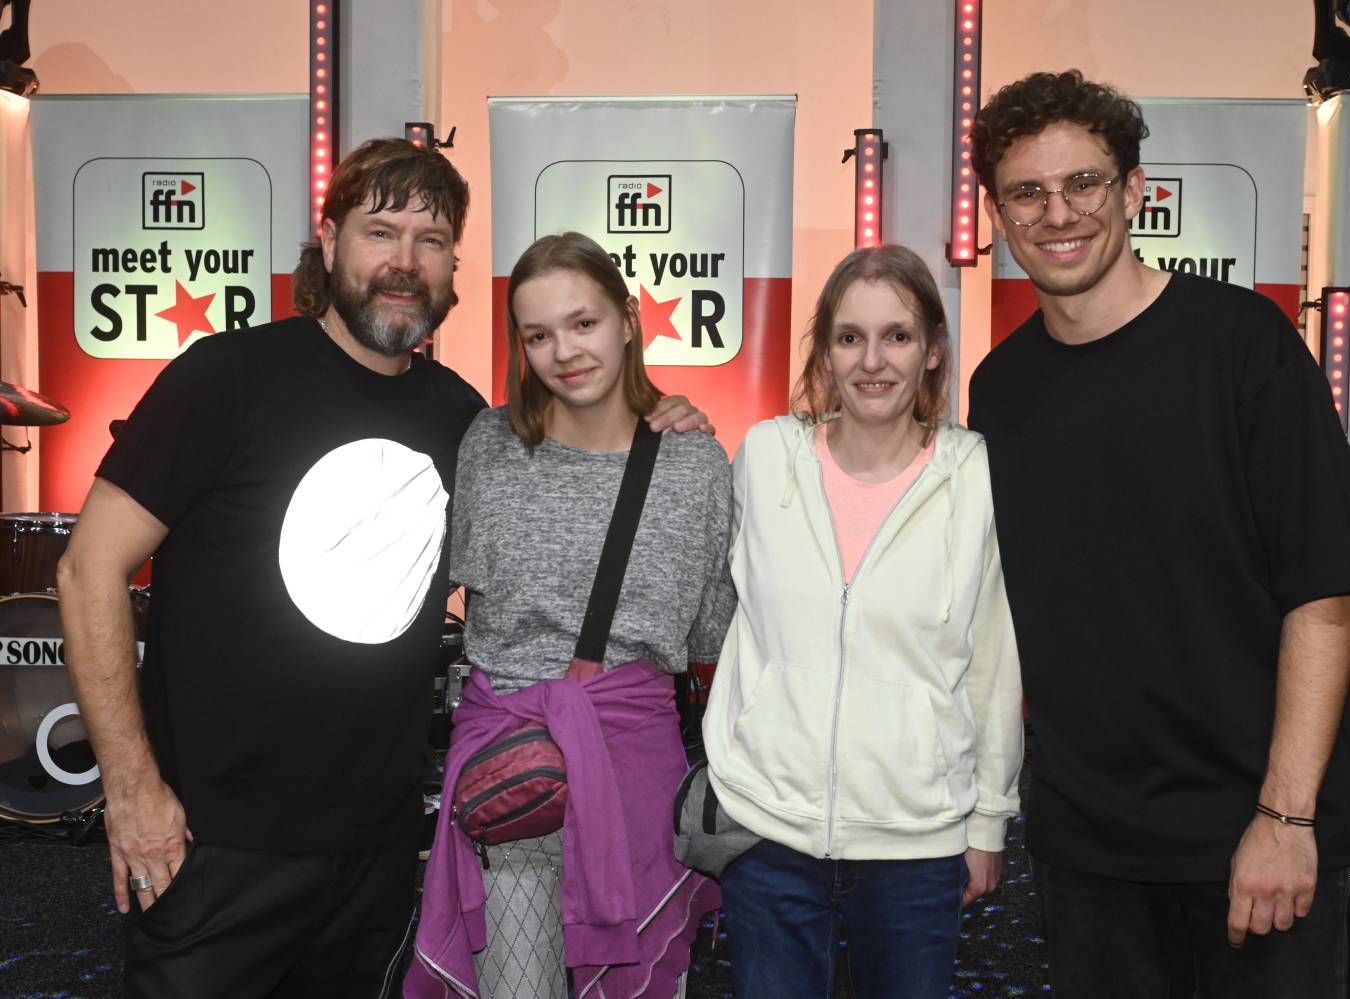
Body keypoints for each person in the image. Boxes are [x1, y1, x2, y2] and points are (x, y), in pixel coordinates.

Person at [55, 139, 705, 998]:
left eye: (431, 240)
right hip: (213, 846)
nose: (405, 261)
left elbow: (572, 508)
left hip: (379, 852)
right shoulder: (226, 377)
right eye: (380, 231)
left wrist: (657, 420)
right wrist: (133, 791)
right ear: (329, 242)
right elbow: (86, 571)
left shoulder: (466, 422)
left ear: (452, 267)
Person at [967, 70, 1350, 998]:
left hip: (1258, 830)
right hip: (1088, 849)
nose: (1058, 213)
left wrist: (1286, 815)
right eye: (1027, 192)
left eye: (1084, 183)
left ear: (1134, 191)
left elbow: (1325, 591)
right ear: (997, 214)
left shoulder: (1244, 344)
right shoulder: (998, 392)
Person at [408, 231, 734, 999]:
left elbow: (710, 633)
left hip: (634, 775)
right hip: (509, 772)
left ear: (628, 320)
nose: (564, 351)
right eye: (538, 334)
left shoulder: (695, 462)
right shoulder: (488, 443)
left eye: (584, 322)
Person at [701, 245, 1024, 999]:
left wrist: (989, 821)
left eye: (897, 336)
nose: (872, 361)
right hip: (767, 828)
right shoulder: (766, 457)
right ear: (825, 352)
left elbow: (993, 661)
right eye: (850, 337)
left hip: (918, 840)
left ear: (932, 350)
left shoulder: (975, 475)